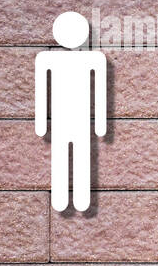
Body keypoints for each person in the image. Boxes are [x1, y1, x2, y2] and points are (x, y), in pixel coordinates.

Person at [35, 12, 107, 212]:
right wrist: (41, 122)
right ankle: (60, 199)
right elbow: (42, 91)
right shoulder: (46, 59)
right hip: (61, 120)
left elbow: (100, 91)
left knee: (81, 156)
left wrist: (101, 123)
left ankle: (81, 199)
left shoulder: (95, 59)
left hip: (80, 121)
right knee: (61, 156)